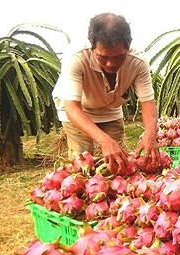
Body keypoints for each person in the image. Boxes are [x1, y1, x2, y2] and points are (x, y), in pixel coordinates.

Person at [52, 12, 159, 173]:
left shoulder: (138, 62)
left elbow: (148, 103)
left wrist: (150, 134)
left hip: (110, 108)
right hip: (78, 110)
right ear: (92, 46)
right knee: (82, 165)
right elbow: (72, 108)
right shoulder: (76, 57)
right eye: (103, 57)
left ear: (128, 48)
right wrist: (104, 141)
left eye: (118, 57)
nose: (110, 63)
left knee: (119, 164)